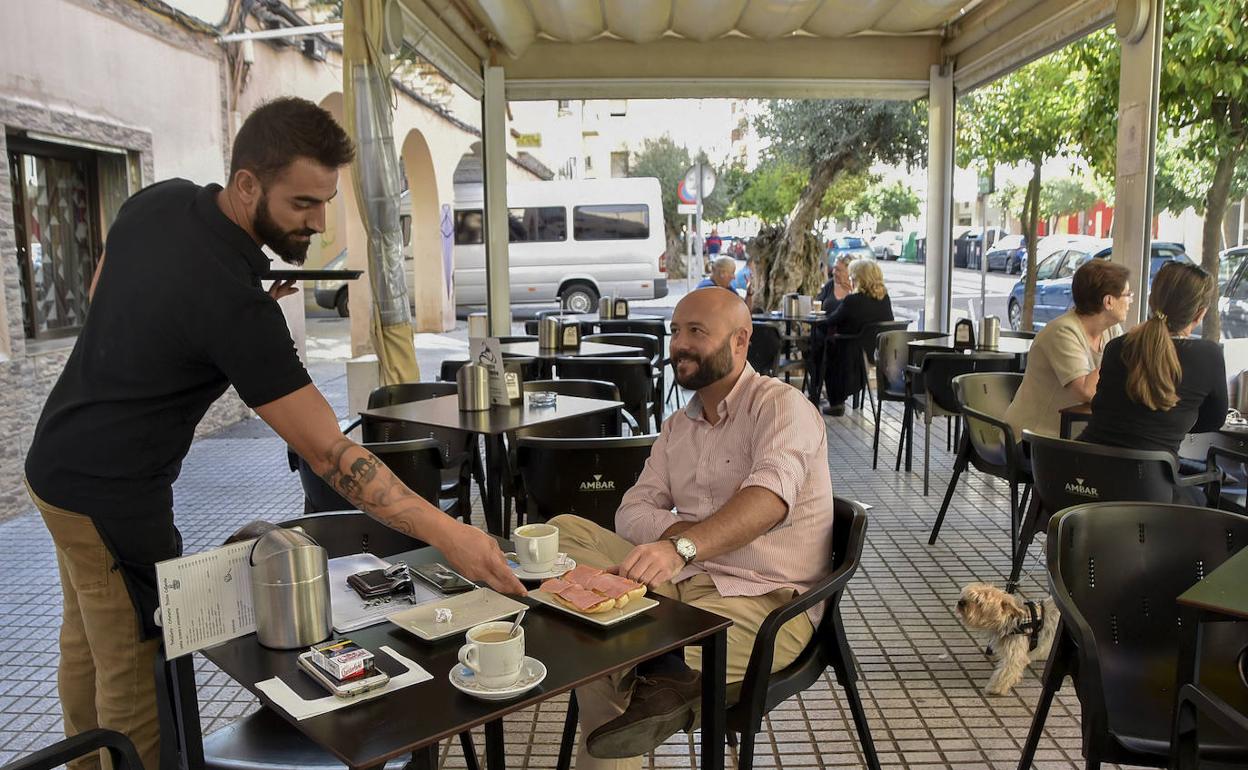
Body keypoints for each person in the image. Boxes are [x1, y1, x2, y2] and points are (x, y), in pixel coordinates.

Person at [23, 97, 525, 770]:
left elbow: (102, 291)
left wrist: (196, 334)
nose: (319, 223)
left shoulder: (161, 201)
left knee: (85, 641)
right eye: (302, 204)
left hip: (53, 460)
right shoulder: (234, 304)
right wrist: (451, 532)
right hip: (113, 493)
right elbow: (330, 453)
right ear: (246, 184)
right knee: (133, 662)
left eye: (326, 203)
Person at [548, 287, 834, 770]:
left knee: (604, 653)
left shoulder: (782, 408)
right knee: (564, 530)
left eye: (696, 331)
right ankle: (658, 669)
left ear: (741, 342)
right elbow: (631, 511)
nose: (679, 344)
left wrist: (683, 545)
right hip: (681, 583)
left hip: (765, 603)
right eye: (675, 331)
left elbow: (767, 500)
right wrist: (689, 541)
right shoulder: (679, 425)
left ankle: (653, 667)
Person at [1079, 261, 1227, 458]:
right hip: (1150, 482)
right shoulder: (1209, 356)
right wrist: (1175, 421)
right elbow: (1213, 420)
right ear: (1200, 314)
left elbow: (1101, 408)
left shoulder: (1116, 348)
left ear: (1151, 300)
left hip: (1084, 472)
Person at [1003, 260, 1131, 440]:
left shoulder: (1111, 330)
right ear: (1108, 301)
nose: (1130, 300)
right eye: (1127, 294)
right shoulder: (1062, 332)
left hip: (1072, 435)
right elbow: (1085, 392)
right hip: (1033, 438)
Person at [820, 258, 894, 416]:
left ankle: (832, 399)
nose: (851, 280)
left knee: (821, 343)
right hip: (877, 352)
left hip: (852, 354)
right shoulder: (884, 299)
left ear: (860, 279)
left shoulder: (853, 300)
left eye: (853, 277)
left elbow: (831, 321)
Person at [806, 255, 854, 404]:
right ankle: (816, 388)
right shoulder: (830, 285)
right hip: (824, 329)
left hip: (844, 335)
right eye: (834, 269)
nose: (834, 272)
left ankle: (820, 389)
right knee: (812, 344)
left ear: (849, 270)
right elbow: (816, 303)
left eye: (839, 270)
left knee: (821, 347)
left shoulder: (855, 291)